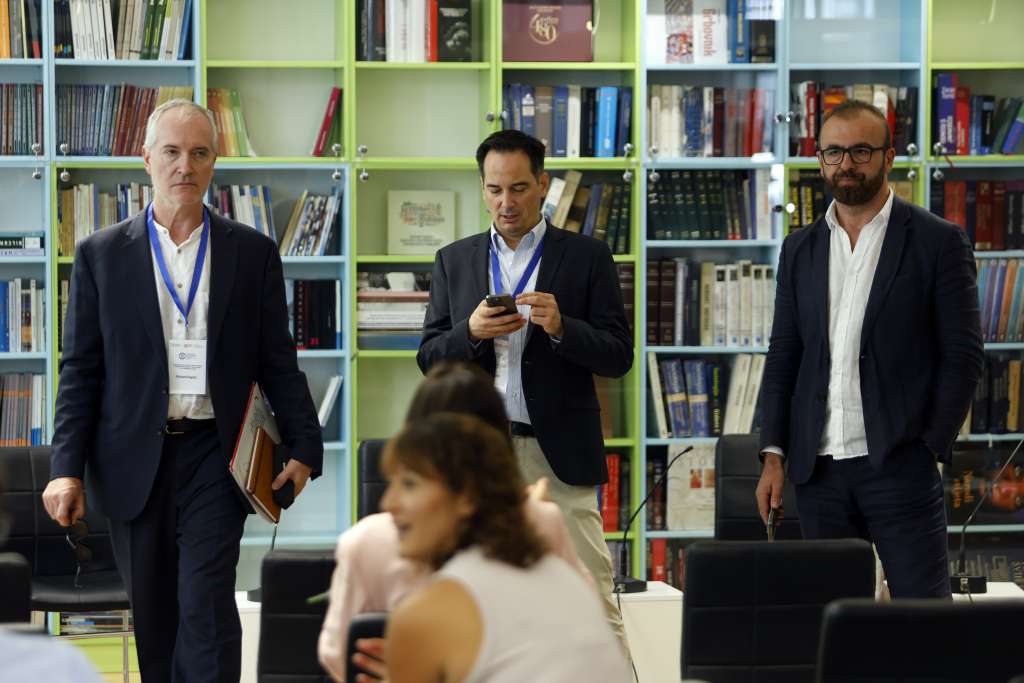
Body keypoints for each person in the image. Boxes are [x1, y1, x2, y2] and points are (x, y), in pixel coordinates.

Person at [42, 99, 323, 682]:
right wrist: (65, 469)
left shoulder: (251, 253)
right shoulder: (99, 255)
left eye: (198, 153)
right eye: (171, 152)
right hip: (130, 458)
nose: (184, 166)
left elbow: (278, 360)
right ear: (146, 159)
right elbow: (81, 371)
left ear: (214, 162)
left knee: (207, 606)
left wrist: (304, 447)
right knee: (156, 618)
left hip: (215, 455)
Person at [756, 99, 984, 599]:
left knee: (924, 618)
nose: (846, 164)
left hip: (899, 464)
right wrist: (773, 454)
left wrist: (928, 448)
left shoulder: (938, 242)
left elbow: (963, 356)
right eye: (833, 152)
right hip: (818, 472)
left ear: (889, 157)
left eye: (861, 151)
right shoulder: (800, 249)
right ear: (820, 159)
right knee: (836, 620)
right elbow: (784, 355)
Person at [417, 129, 633, 645]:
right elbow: (429, 358)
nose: (506, 203)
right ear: (482, 189)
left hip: (557, 455)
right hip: (477, 456)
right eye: (494, 190)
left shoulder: (587, 257)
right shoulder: (454, 260)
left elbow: (618, 355)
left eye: (517, 188)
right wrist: (469, 333)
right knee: (478, 605)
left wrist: (562, 328)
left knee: (591, 604)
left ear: (542, 185)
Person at [316, 361, 589, 682]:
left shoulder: (366, 542)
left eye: (409, 482)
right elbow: (581, 625)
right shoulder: (540, 522)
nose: (389, 502)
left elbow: (338, 657)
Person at [379, 412, 630, 683]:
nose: (387, 503)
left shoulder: (424, 616)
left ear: (466, 497)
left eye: (409, 484)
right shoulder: (563, 575)